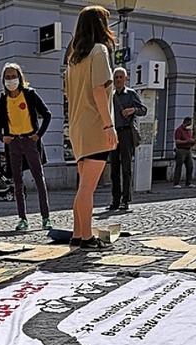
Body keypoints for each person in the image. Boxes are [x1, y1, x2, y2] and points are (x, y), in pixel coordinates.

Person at [65, 5, 118, 249]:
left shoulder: (74, 58)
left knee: (83, 185)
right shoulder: (99, 51)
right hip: (94, 125)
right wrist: (109, 126)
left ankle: (78, 234)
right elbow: (99, 90)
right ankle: (86, 237)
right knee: (88, 187)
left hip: (77, 126)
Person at [0, 62, 52, 231]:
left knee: (39, 179)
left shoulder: (29, 94)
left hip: (29, 140)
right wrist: (2, 137)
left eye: (13, 76)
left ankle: (45, 217)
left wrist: (38, 134)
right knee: (17, 183)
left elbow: (47, 114)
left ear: (20, 77)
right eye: (8, 77)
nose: (11, 80)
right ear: (4, 80)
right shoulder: (3, 99)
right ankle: (22, 219)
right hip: (13, 143)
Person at [109, 67, 147, 212]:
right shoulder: (110, 96)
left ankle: (125, 200)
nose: (118, 80)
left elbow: (143, 110)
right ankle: (115, 200)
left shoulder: (131, 94)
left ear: (126, 79)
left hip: (126, 133)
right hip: (113, 133)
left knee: (126, 168)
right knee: (114, 170)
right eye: (116, 77)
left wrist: (133, 110)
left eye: (120, 77)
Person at [173, 116, 196, 188]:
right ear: (186, 122)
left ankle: (188, 182)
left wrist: (193, 142)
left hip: (188, 149)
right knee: (179, 166)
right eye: (189, 123)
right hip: (181, 150)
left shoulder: (188, 131)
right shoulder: (179, 130)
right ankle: (176, 183)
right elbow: (177, 141)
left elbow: (189, 139)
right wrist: (187, 141)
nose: (190, 125)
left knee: (190, 166)